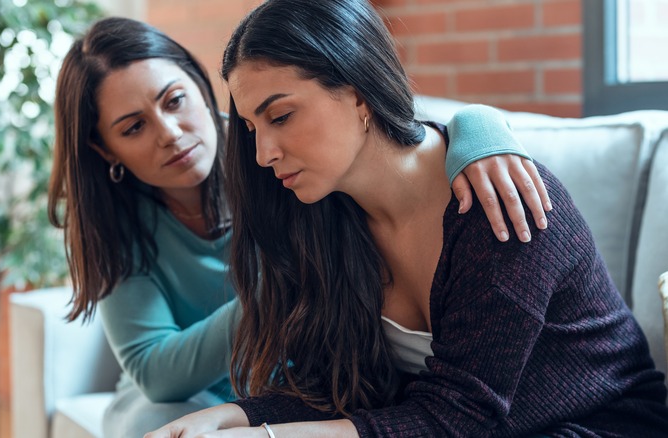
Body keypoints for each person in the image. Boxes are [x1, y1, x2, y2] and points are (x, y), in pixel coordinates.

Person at [144, 0, 668, 437]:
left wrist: (269, 436)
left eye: (281, 116)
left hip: (600, 424)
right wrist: (232, 416)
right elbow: (337, 394)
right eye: (254, 127)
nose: (264, 153)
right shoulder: (327, 219)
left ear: (359, 94)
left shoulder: (497, 203)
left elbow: (460, 416)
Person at [48, 16, 553, 437]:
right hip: (217, 392)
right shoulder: (127, 220)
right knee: (161, 422)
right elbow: (158, 375)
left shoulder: (286, 164)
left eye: (175, 100)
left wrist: (483, 129)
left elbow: (391, 131)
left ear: (201, 89)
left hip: (294, 383)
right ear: (104, 150)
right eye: (134, 127)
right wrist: (283, 286)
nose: (171, 134)